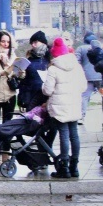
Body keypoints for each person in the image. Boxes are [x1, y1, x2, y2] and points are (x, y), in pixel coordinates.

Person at [42, 36, 88, 178]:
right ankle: (75, 167)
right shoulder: (77, 66)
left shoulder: (53, 69)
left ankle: (64, 167)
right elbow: (83, 86)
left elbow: (47, 91)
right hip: (74, 103)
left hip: (59, 106)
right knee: (74, 134)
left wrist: (43, 86)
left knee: (63, 134)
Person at [15, 30, 51, 111]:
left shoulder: (51, 58)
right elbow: (22, 83)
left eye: (35, 42)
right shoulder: (28, 61)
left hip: (47, 96)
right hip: (31, 98)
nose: (33, 45)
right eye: (32, 43)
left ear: (43, 43)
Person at [75, 34, 103, 121]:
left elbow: (77, 61)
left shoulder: (81, 48)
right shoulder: (99, 47)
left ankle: (81, 116)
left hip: (87, 77)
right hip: (100, 75)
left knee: (84, 96)